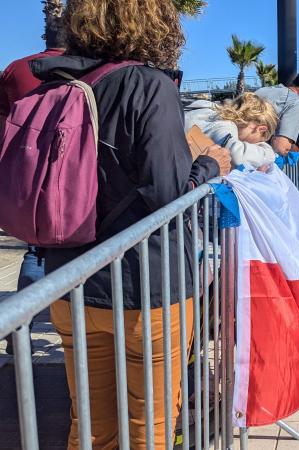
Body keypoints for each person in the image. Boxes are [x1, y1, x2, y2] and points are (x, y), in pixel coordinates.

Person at [36, 0, 230, 447]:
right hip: (146, 286)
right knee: (150, 428)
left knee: (89, 428)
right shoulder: (148, 85)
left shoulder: (55, 84)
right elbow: (167, 193)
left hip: (69, 281)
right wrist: (207, 167)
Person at [0, 27, 66, 355]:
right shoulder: (89, 67)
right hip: (75, 178)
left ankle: (20, 325)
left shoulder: (17, 69)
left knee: (36, 251)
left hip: (26, 175)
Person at [184, 93, 278, 170]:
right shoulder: (224, 125)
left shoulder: (208, 109)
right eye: (259, 141)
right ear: (261, 129)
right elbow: (236, 156)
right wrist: (269, 154)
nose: (255, 144)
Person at [255, 70, 299, 156]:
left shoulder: (263, 90)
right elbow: (280, 148)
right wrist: (295, 148)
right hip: (252, 161)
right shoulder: (298, 103)